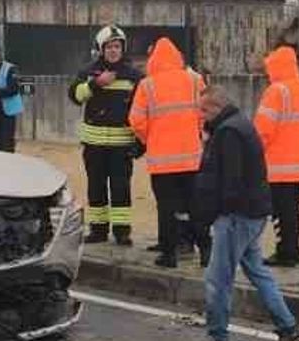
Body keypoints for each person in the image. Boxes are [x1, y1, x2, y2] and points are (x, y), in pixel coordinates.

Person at [186, 85, 299, 341]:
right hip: (252, 213)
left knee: (218, 279)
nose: (200, 115)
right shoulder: (237, 125)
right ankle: (288, 327)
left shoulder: (228, 132)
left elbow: (230, 180)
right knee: (257, 271)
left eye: (203, 110)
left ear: (217, 107)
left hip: (236, 216)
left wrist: (216, 213)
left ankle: (217, 339)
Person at [128, 37, 206, 267]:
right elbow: (206, 113)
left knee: (166, 207)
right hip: (191, 158)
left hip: (162, 161)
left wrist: (149, 139)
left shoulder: (147, 85)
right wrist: (197, 134)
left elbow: (136, 120)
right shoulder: (194, 80)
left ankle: (169, 254)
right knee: (195, 205)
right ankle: (205, 250)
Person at [68, 25, 143, 245]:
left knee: (121, 188)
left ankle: (122, 232)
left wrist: (140, 142)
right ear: (101, 49)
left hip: (122, 144)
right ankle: (98, 230)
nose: (113, 51)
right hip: (94, 144)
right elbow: (75, 96)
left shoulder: (134, 76)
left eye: (117, 46)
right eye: (109, 47)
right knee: (96, 187)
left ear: (123, 48)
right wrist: (95, 84)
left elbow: (142, 109)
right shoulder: (88, 72)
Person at [255, 45, 299, 267]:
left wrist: (254, 152)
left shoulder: (276, 91)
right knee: (291, 209)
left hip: (277, 164)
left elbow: (263, 130)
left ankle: (286, 252)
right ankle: (292, 249)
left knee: (280, 211)